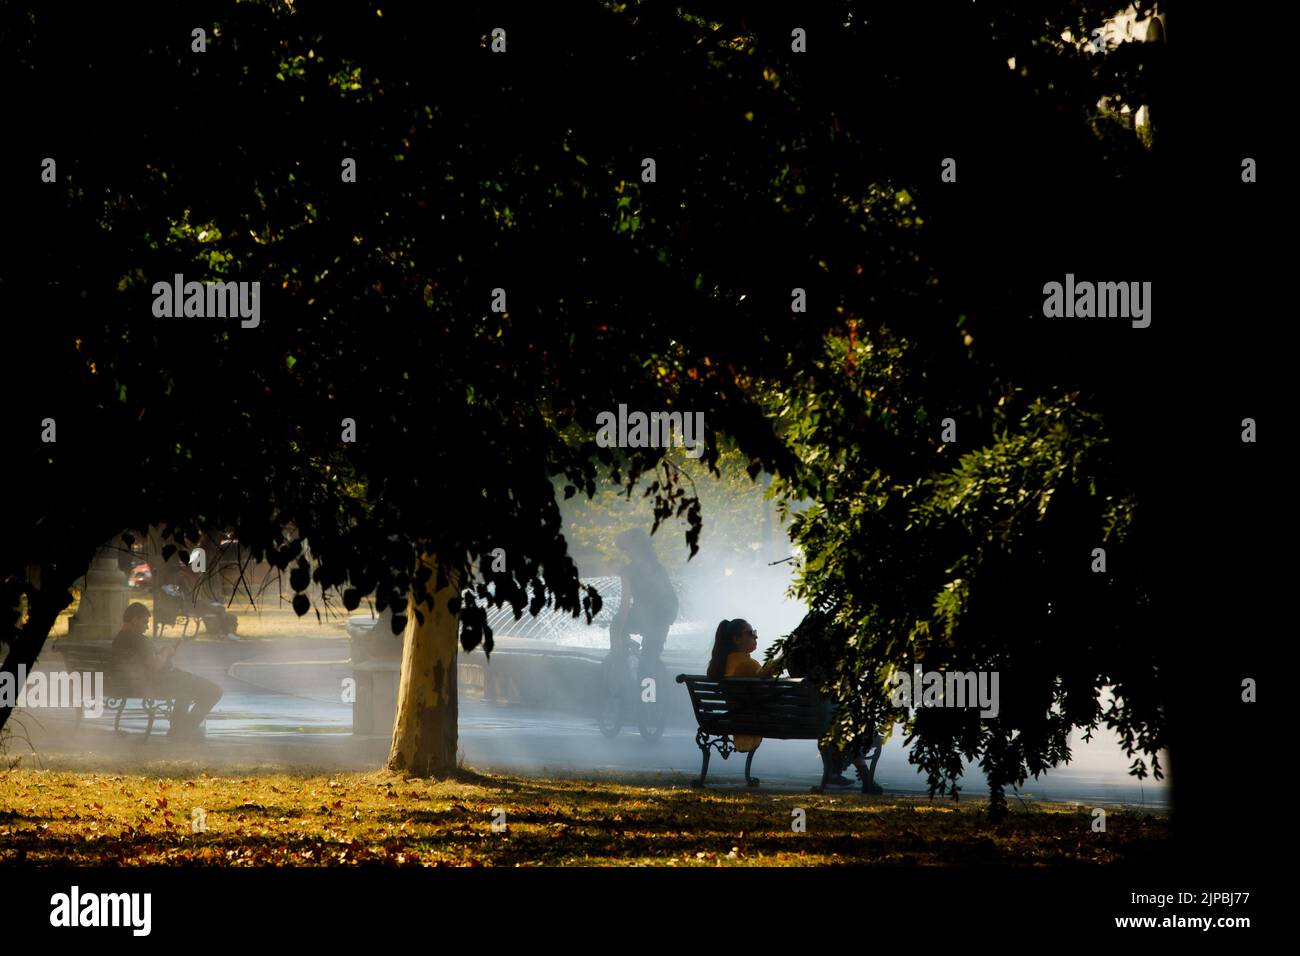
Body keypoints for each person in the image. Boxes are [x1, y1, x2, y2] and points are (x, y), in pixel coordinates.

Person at [111, 602, 222, 739]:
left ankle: (179, 730)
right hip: (154, 684)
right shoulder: (138, 640)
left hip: (132, 684)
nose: (146, 627)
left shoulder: (118, 640)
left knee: (185, 686)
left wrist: (163, 655)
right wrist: (166, 652)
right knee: (214, 691)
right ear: (134, 620)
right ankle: (183, 730)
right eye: (145, 622)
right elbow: (155, 666)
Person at [706, 618, 781, 754]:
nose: (756, 636)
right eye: (751, 633)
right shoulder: (745, 664)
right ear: (737, 639)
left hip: (737, 719)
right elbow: (764, 674)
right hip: (756, 720)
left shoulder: (724, 663)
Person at [609, 528, 678, 668]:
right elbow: (667, 598)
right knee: (649, 659)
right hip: (663, 616)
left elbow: (624, 606)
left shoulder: (628, 572)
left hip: (654, 617)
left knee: (617, 624)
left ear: (632, 549)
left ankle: (619, 659)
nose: (626, 553)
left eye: (625, 549)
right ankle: (641, 659)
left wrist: (618, 634)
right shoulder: (658, 567)